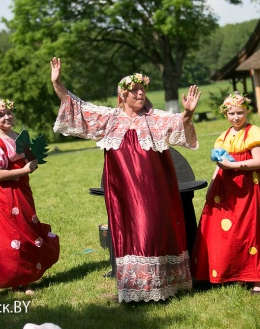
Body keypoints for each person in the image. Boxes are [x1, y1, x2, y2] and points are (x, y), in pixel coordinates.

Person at [50, 57, 201, 303]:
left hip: (153, 188)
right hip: (123, 191)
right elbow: (75, 106)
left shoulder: (153, 119)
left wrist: (188, 112)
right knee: (129, 231)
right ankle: (135, 288)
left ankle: (161, 285)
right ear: (123, 95)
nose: (140, 94)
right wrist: (57, 83)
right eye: (135, 90)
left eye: (143, 90)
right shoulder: (110, 119)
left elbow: (178, 125)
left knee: (153, 230)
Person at [191, 92, 260, 293]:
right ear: (226, 114)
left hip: (250, 185)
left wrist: (233, 164)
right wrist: (213, 184)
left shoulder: (253, 132)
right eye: (231, 113)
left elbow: (259, 161)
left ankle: (257, 278)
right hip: (227, 186)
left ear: (246, 111)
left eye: (240, 112)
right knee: (228, 229)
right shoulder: (224, 136)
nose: (236, 117)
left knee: (251, 227)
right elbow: (220, 165)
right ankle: (233, 272)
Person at [0, 98, 60, 295]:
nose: (6, 117)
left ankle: (27, 278)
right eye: (0, 115)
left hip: (21, 192)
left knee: (26, 229)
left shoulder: (17, 136)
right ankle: (16, 280)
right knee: (10, 236)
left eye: (8, 112)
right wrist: (24, 169)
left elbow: (29, 160)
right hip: (4, 196)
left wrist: (32, 161)